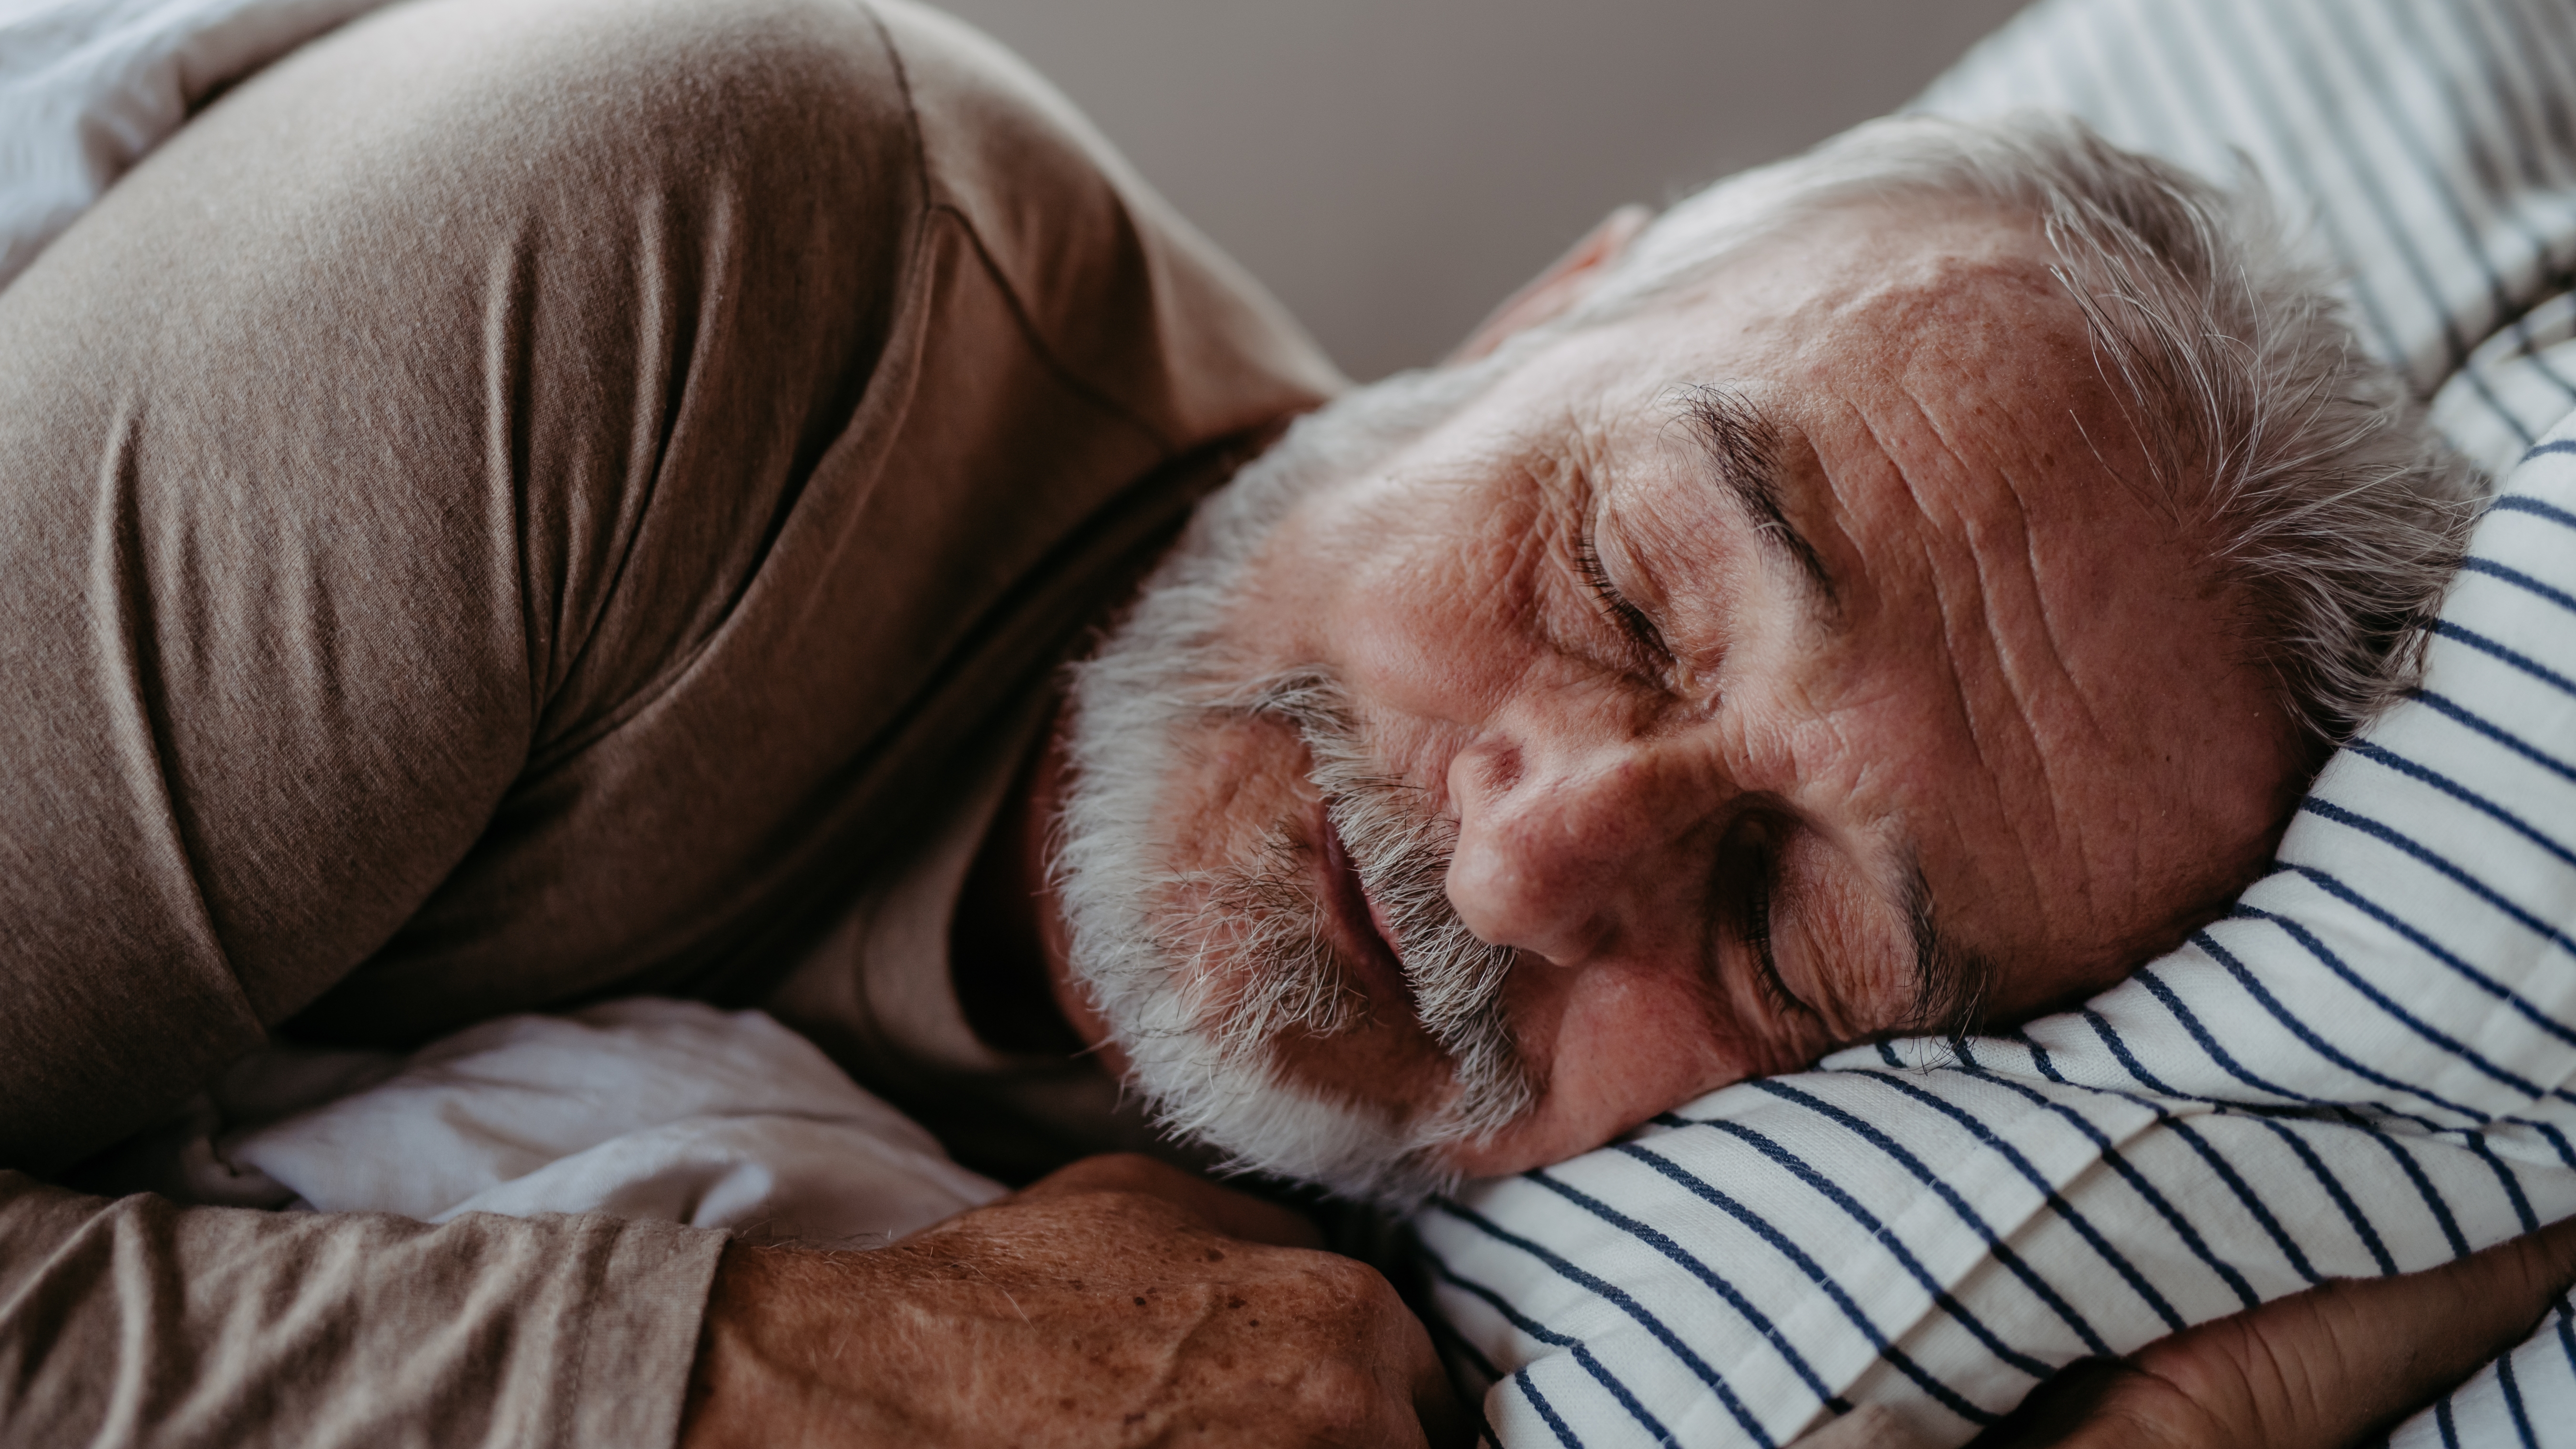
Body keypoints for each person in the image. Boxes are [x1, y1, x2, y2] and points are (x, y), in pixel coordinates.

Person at [0, 0, 2507, 1443]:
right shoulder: (655, 265)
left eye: (1787, 933)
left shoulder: (1466, 1301)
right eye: (1621, 580)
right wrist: (782, 1380)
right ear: (1539, 312)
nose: (1531, 872)